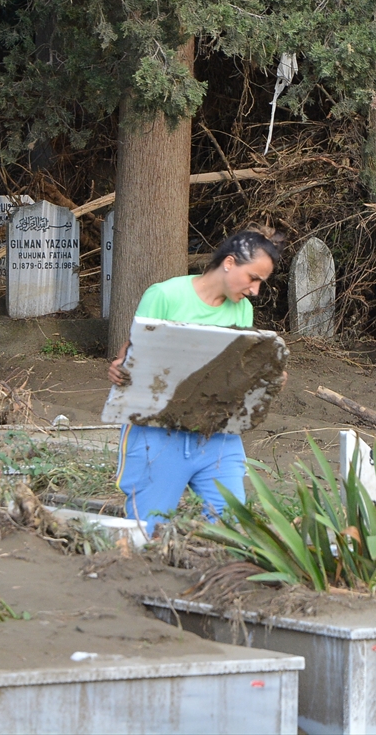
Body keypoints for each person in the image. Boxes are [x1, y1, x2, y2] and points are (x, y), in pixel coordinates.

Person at [107, 229, 281, 535]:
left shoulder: (242, 309)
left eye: (260, 283)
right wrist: (122, 367)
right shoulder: (165, 295)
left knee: (230, 523)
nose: (255, 290)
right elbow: (134, 351)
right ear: (229, 263)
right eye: (253, 278)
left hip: (217, 434)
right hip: (157, 433)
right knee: (146, 528)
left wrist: (267, 376)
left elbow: (233, 372)